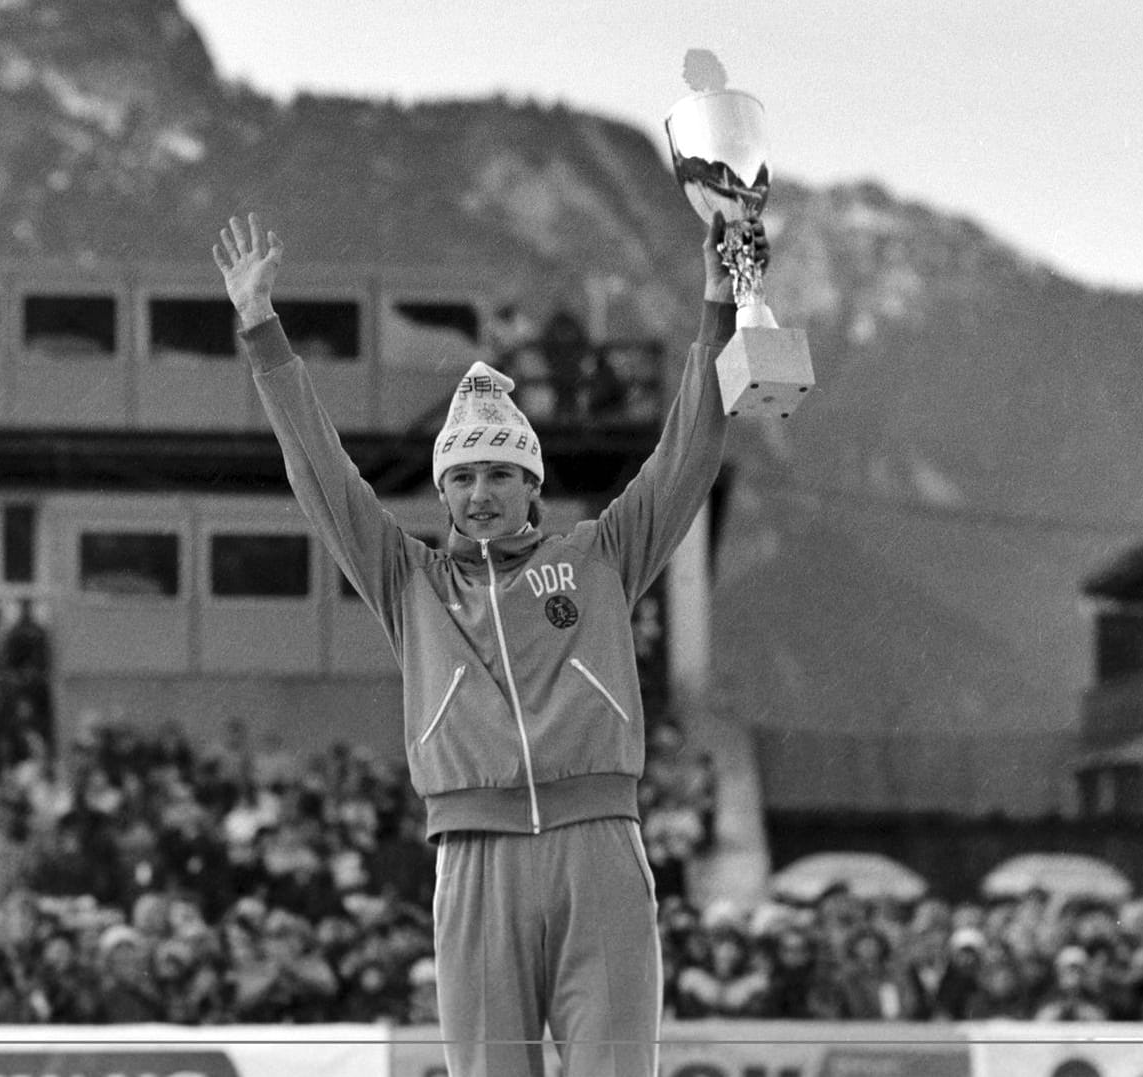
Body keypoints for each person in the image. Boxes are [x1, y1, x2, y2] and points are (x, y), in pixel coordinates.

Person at [213, 208, 752, 1077]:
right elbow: (321, 473)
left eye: (500, 472)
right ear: (443, 490)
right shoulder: (409, 581)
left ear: (532, 484)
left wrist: (718, 303)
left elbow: (689, 449)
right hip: (474, 865)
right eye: (460, 476)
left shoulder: (601, 555)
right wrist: (262, 329)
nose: (479, 492)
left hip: (599, 852)